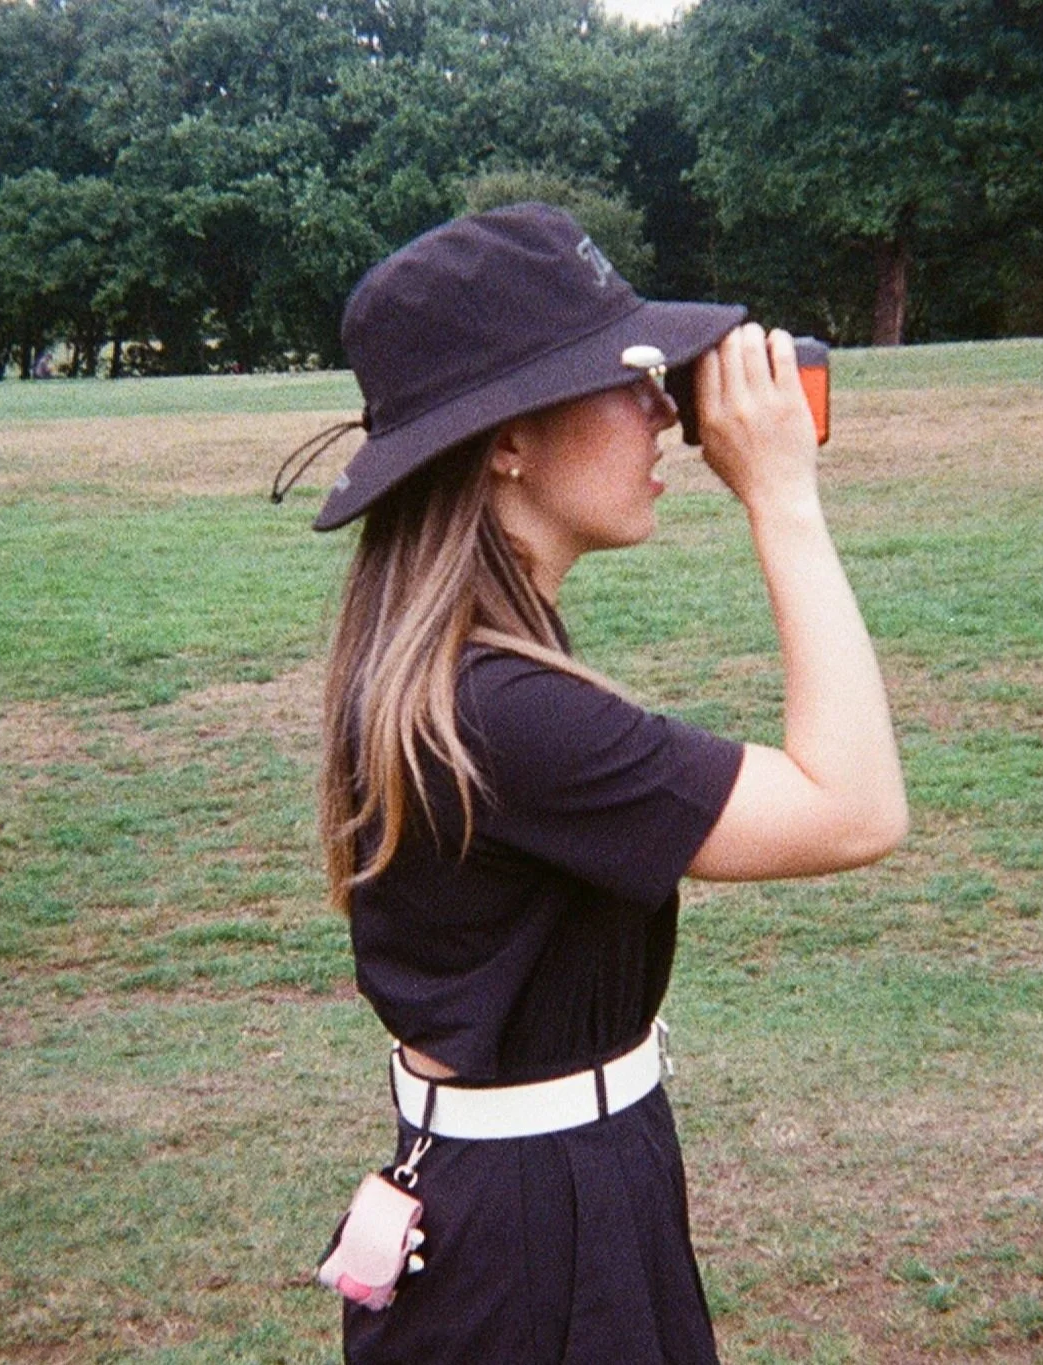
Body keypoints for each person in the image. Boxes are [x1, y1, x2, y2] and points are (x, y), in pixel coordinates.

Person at [306, 203, 907, 1363]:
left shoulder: (456, 667)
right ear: (503, 441)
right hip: (540, 1230)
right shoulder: (503, 711)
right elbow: (857, 808)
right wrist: (781, 498)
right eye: (624, 379)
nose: (666, 414)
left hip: (546, 1188)